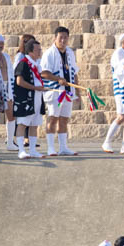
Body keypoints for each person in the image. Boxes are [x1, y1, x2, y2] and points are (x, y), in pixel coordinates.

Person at [39, 26, 78, 157]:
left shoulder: (70, 53)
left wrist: (76, 90)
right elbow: (43, 73)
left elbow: (75, 72)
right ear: (55, 38)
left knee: (64, 119)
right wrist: (57, 79)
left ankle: (63, 147)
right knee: (53, 118)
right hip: (55, 92)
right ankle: (50, 147)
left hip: (68, 92)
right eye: (60, 37)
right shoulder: (49, 53)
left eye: (65, 37)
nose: (63, 40)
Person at [12, 38, 46, 160]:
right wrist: (35, 87)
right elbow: (19, 81)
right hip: (26, 99)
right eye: (38, 50)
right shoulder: (24, 63)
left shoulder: (37, 65)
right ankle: (21, 150)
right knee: (22, 124)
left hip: (37, 98)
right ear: (30, 51)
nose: (40, 52)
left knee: (34, 124)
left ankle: (32, 150)